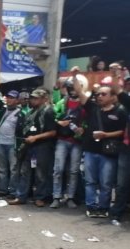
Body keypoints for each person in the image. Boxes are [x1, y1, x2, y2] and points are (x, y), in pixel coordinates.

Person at [76, 69, 127, 218]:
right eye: (98, 94)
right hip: (91, 150)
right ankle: (91, 206)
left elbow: (122, 132)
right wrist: (75, 76)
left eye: (103, 94)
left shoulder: (120, 111)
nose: (99, 96)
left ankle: (103, 207)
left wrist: (106, 135)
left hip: (108, 152)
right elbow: (80, 93)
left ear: (112, 97)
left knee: (106, 183)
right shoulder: (93, 108)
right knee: (90, 181)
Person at [8, 89, 57, 207]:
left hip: (42, 146)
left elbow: (53, 132)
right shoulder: (30, 112)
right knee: (24, 172)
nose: (33, 100)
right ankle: (21, 196)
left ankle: (40, 197)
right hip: (29, 146)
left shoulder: (48, 111)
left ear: (44, 99)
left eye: (36, 98)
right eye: (32, 98)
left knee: (40, 174)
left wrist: (36, 137)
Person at [50, 78, 86, 209]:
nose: (73, 91)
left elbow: (89, 118)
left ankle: (70, 197)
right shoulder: (62, 102)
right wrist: (59, 122)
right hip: (62, 140)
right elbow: (52, 114)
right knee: (58, 169)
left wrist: (84, 128)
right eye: (70, 88)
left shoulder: (84, 104)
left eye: (75, 88)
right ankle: (56, 197)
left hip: (77, 141)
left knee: (74, 171)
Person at [0, 78, 25, 198]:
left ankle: (13, 191)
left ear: (17, 100)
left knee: (14, 169)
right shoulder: (2, 109)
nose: (9, 99)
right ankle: (2, 189)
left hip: (12, 145)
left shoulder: (21, 113)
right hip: (0, 143)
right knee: (1, 168)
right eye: (8, 97)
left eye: (12, 98)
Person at [109, 64, 130, 224]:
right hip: (127, 149)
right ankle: (116, 212)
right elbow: (117, 91)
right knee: (122, 183)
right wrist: (116, 75)